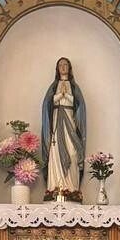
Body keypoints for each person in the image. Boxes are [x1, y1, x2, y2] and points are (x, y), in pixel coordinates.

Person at [41, 56, 86, 200]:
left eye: (65, 64)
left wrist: (67, 95)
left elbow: (79, 105)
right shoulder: (54, 86)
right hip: (56, 122)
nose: (63, 67)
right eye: (60, 65)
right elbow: (47, 104)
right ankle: (55, 187)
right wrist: (60, 95)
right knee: (54, 153)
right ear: (57, 68)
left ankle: (72, 188)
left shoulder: (74, 87)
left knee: (72, 153)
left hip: (70, 121)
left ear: (69, 68)